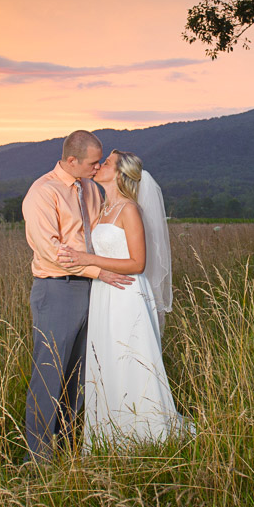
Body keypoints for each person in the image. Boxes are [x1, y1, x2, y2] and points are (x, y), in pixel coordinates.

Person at [57, 150, 191, 450]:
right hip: (104, 293)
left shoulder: (129, 209)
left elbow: (137, 263)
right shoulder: (104, 208)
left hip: (127, 294)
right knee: (106, 358)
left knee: (129, 357)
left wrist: (88, 258)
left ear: (119, 173)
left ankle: (145, 431)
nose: (100, 164)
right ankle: (110, 432)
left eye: (106, 163)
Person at [21, 130, 133, 464]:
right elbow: (53, 252)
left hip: (94, 290)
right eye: (92, 162)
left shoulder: (89, 188)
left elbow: (97, 236)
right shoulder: (43, 193)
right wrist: (99, 272)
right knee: (49, 373)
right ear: (72, 160)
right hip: (57, 289)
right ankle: (37, 459)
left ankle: (70, 448)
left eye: (100, 162)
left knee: (81, 375)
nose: (97, 167)